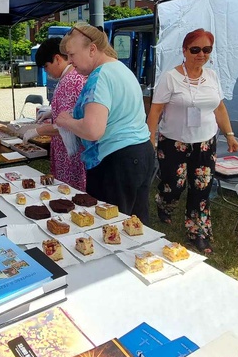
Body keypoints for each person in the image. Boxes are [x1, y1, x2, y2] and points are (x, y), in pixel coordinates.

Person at [145, 28, 238, 255]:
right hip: (174, 142)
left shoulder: (212, 77)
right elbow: (156, 111)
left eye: (206, 50)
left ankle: (198, 231)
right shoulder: (171, 78)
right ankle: (164, 202)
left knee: (201, 188)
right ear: (185, 50)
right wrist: (150, 139)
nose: (201, 54)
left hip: (205, 143)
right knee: (174, 185)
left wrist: (229, 134)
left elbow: (219, 107)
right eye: (195, 49)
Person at [55, 23, 155, 223]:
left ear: (92, 49)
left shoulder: (99, 76)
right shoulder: (120, 69)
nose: (70, 61)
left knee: (110, 225)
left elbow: (93, 130)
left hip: (115, 160)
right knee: (135, 224)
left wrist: (66, 121)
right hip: (141, 153)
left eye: (72, 55)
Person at [22, 37, 87, 190]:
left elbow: (68, 123)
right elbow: (73, 109)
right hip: (66, 150)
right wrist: (51, 112)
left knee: (70, 194)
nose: (46, 72)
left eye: (46, 66)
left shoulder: (71, 80)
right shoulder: (68, 78)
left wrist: (37, 131)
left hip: (71, 154)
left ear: (57, 59)